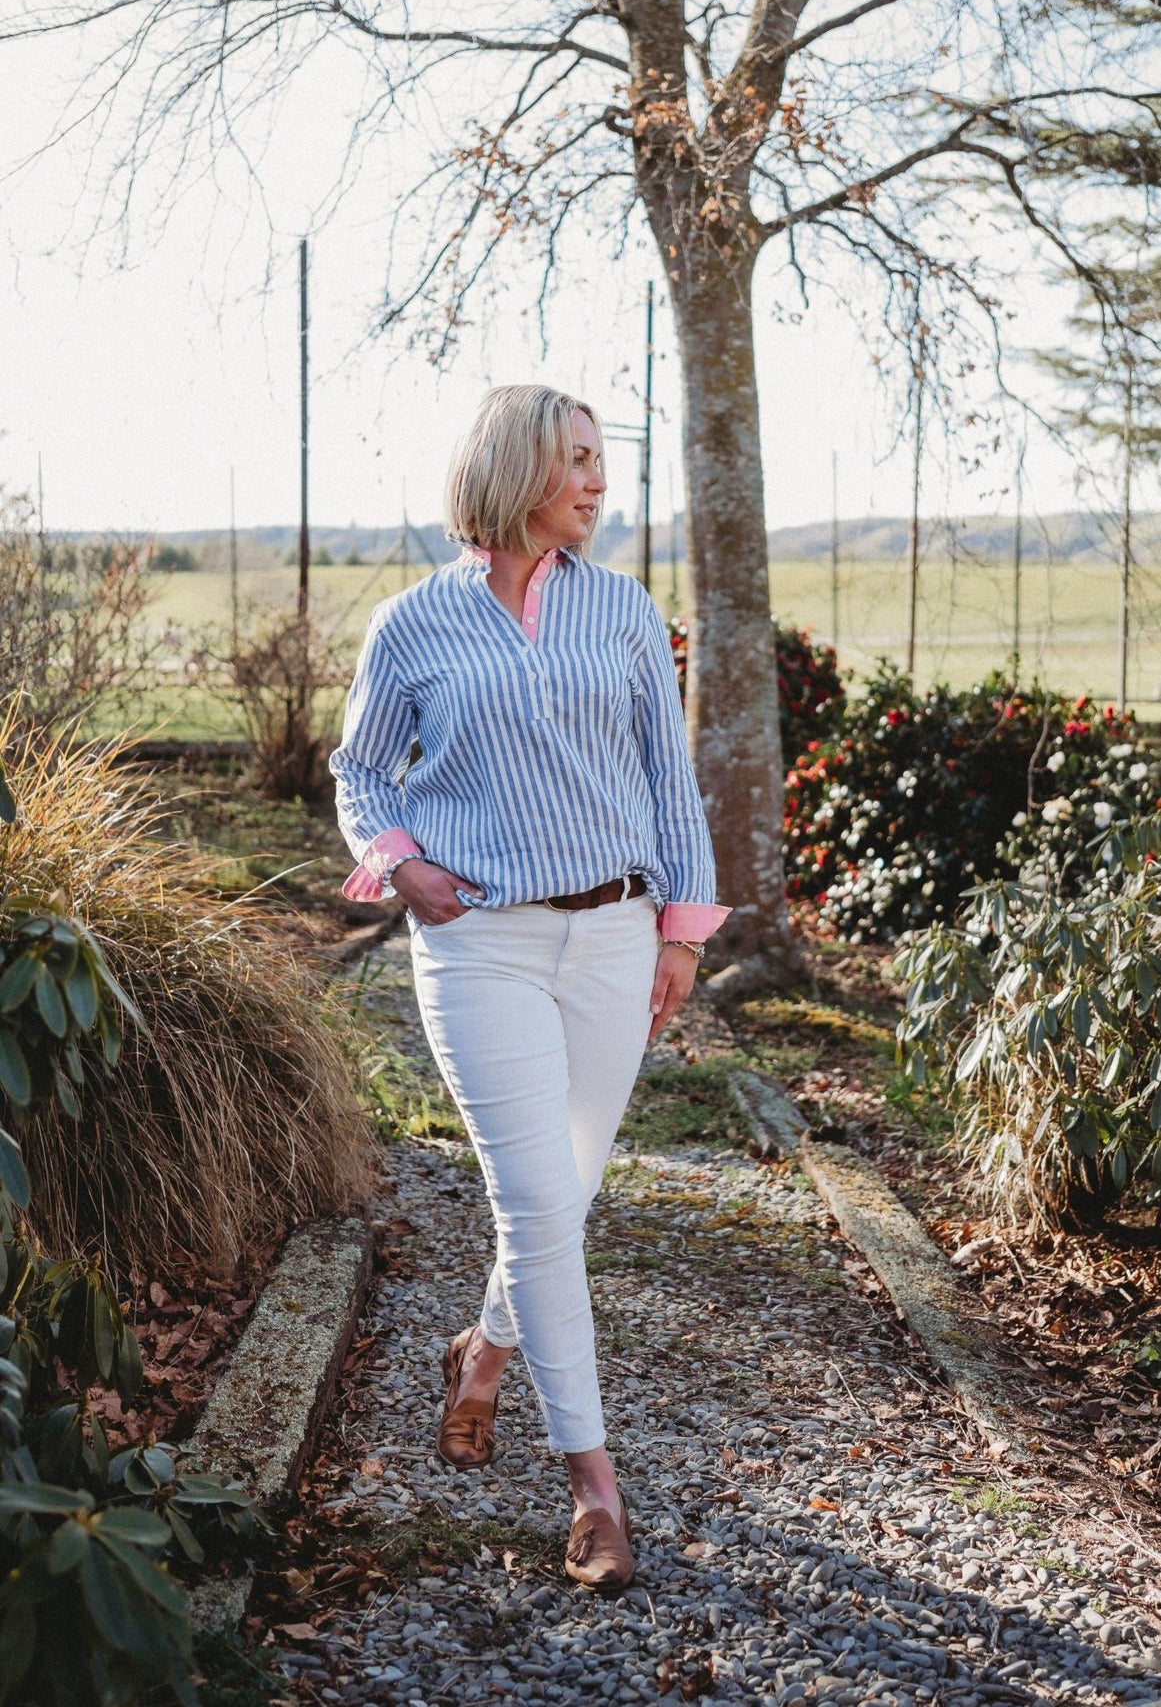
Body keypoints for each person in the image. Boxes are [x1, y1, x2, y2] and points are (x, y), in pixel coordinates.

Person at [331, 384, 729, 1592]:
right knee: (540, 1201)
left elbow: (669, 780)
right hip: (480, 948)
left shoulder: (622, 610)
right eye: (578, 461)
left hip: (614, 938)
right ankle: (594, 1487)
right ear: (514, 472)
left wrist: (682, 931)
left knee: (566, 1197)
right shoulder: (412, 625)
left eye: (602, 461)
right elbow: (360, 773)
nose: (600, 482)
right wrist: (401, 866)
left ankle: (485, 1354)